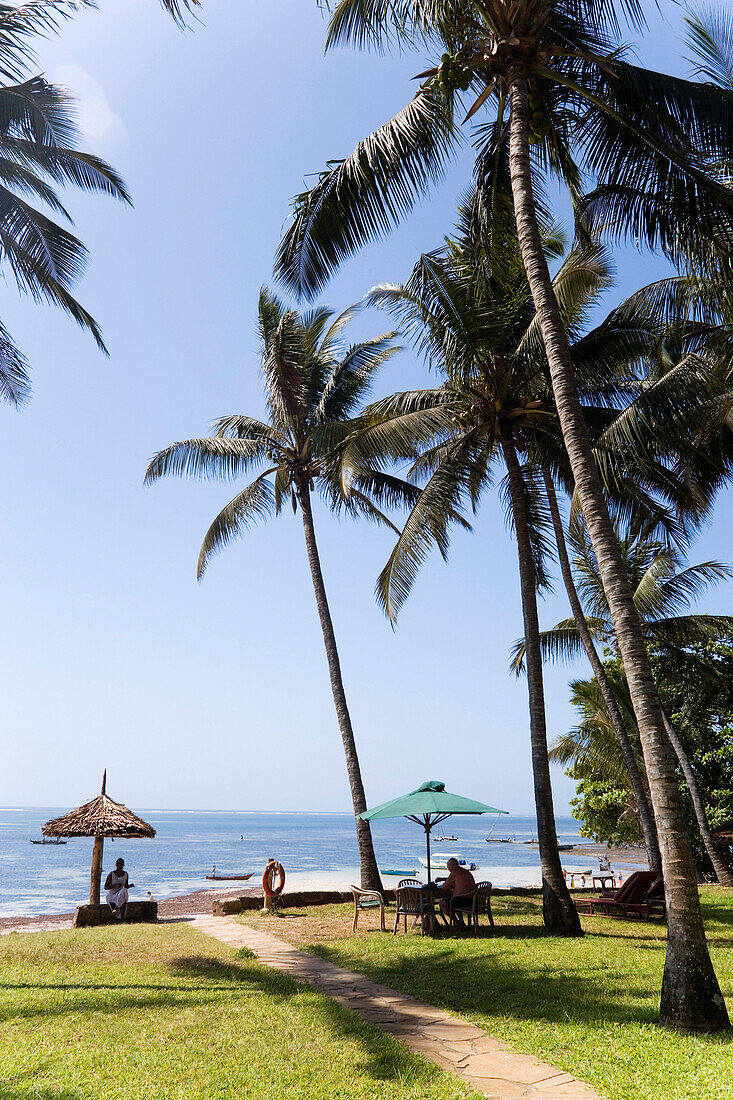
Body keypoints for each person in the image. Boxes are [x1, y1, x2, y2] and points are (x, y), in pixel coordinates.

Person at [439, 858, 476, 927]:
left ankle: (458, 922)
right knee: (454, 898)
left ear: (452, 866)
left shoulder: (454, 872)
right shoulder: (466, 872)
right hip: (473, 900)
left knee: (442, 903)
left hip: (463, 900)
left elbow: (444, 887)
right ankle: (461, 921)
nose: (449, 870)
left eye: (448, 868)